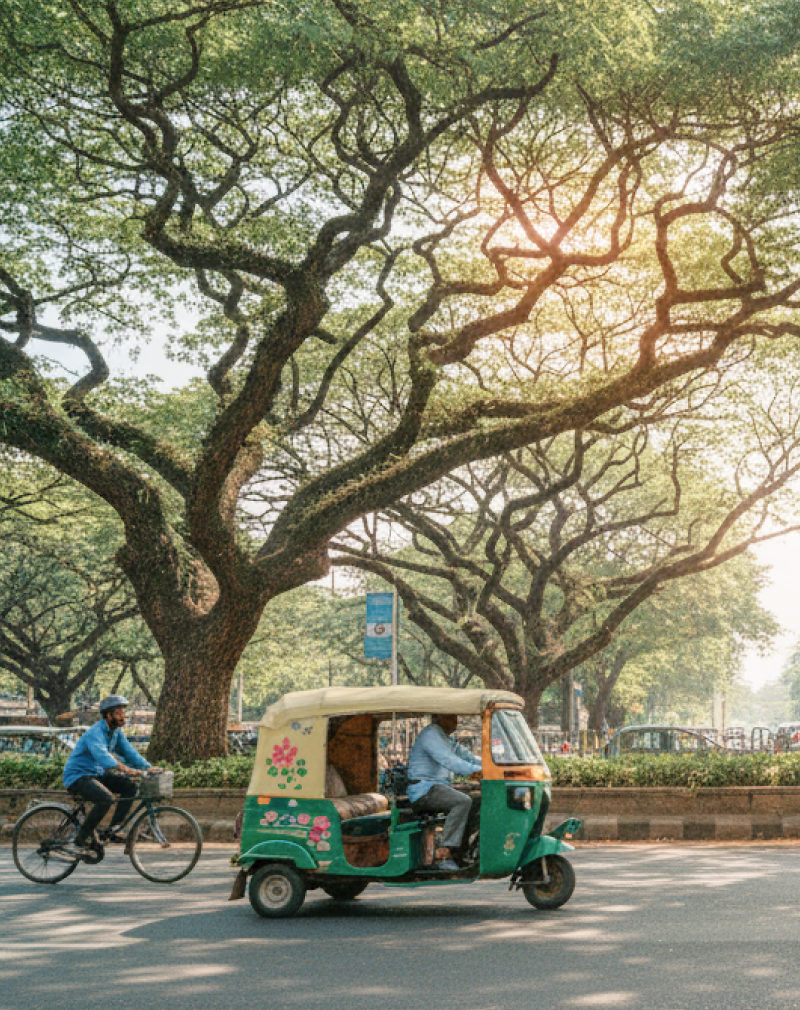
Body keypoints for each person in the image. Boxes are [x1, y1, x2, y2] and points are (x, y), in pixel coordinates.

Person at [61, 695, 155, 858]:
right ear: (108, 715)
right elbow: (104, 758)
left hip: (96, 774)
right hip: (78, 776)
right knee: (106, 799)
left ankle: (114, 829)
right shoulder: (95, 733)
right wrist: (128, 770)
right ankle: (80, 840)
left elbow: (129, 752)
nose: (123, 717)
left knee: (130, 787)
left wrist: (149, 768)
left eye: (124, 713)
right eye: (118, 713)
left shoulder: (116, 732)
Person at [407, 713, 481, 871]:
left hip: (438, 787)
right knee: (462, 801)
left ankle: (462, 850)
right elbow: (449, 760)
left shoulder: (446, 739)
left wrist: (496, 765)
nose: (456, 720)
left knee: (478, 800)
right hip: (424, 789)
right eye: (451, 716)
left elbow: (469, 758)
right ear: (438, 718)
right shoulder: (431, 734)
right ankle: (445, 853)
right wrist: (478, 772)